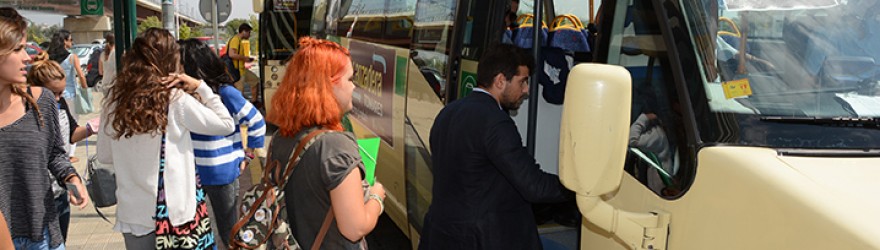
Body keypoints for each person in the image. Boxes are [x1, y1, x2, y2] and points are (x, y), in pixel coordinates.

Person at [419, 44, 573, 250]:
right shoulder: (495, 122)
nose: (526, 90)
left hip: (441, 235)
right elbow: (534, 186)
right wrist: (576, 189)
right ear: (500, 81)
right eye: (523, 81)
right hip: (483, 239)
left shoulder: (448, 112)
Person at [96, 28, 235, 249]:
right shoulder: (175, 98)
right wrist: (202, 88)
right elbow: (226, 125)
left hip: (133, 215)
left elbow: (104, 155)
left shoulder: (114, 100)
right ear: (171, 59)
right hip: (175, 215)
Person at [265, 37, 386, 249]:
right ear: (328, 86)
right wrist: (376, 196)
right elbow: (355, 228)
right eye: (349, 79)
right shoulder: (335, 145)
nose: (354, 87)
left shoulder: (280, 137)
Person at [0, 7, 89, 249]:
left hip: (43, 235)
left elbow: (54, 154)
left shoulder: (41, 100)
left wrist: (71, 178)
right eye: (17, 49)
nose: (27, 57)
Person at [178, 38, 266, 247]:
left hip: (221, 173)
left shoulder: (225, 93)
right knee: (200, 230)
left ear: (192, 65)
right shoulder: (180, 95)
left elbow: (256, 121)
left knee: (228, 229)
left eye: (178, 64)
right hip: (191, 173)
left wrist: (248, 153)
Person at [27, 52, 97, 241]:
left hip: (60, 190)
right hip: (37, 197)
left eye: (61, 93)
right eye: (53, 93)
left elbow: (71, 136)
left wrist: (91, 128)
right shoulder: (24, 113)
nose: (57, 99)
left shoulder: (62, 104)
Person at [47, 29, 87, 163]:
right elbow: (81, 75)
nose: (72, 42)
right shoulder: (72, 57)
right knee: (72, 123)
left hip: (53, 94)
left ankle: (59, 151)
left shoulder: (49, 57)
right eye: (70, 39)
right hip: (70, 94)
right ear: (64, 41)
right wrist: (85, 90)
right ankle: (69, 154)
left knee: (57, 122)